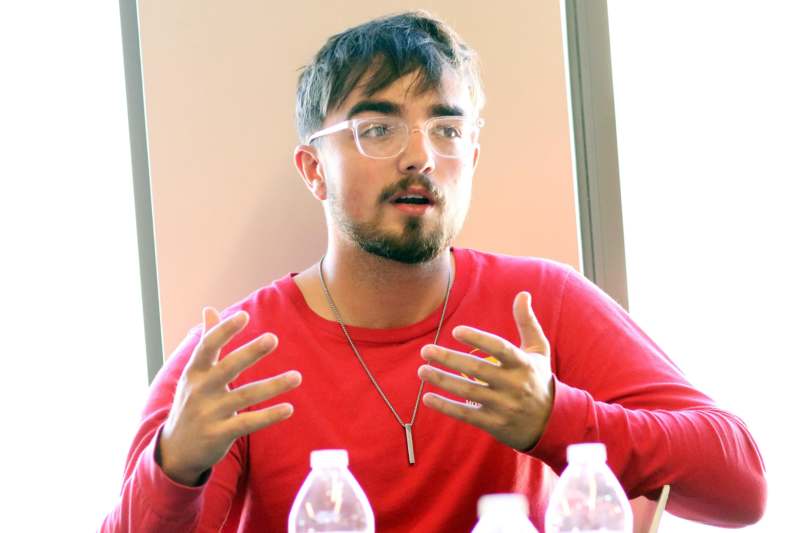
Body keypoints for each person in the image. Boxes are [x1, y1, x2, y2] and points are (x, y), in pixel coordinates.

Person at [102, 10, 766, 532]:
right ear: (313, 170)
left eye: (447, 131)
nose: (420, 155)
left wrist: (556, 419)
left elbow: (741, 485)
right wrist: (175, 462)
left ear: (471, 156)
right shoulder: (242, 353)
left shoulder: (538, 304)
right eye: (378, 129)